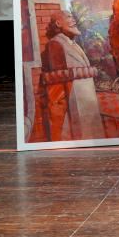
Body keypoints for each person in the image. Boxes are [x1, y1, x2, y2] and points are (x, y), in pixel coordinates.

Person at [41, 10, 105, 141]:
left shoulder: (73, 44)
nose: (73, 20)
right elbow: (59, 77)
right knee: (81, 133)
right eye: (69, 17)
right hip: (74, 99)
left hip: (87, 99)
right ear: (58, 23)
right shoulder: (55, 44)